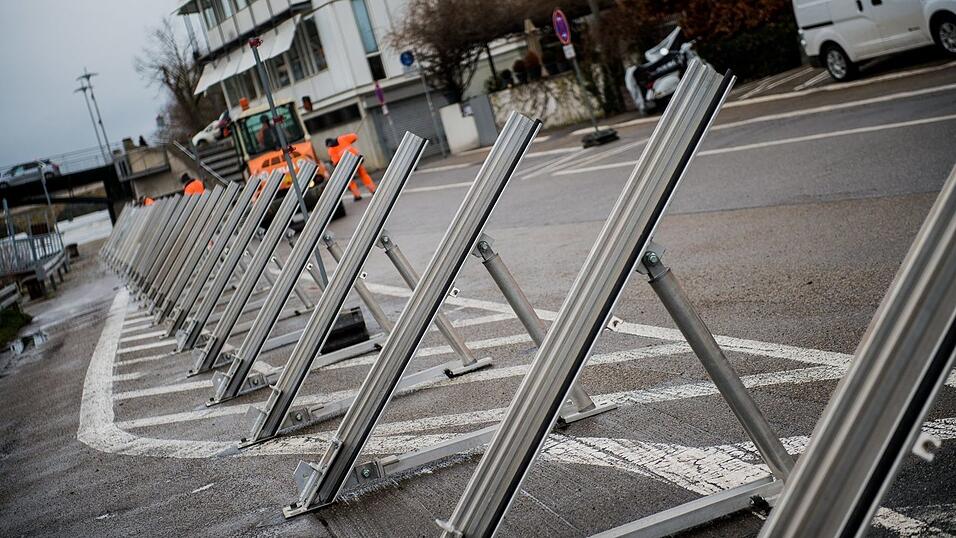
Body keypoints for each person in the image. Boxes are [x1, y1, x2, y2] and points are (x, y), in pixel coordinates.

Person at [326, 133, 377, 201]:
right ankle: (373, 190)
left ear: (328, 145)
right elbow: (354, 136)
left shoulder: (331, 150)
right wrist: (351, 141)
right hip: (356, 159)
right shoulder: (342, 138)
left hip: (346, 165)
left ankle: (357, 195)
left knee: (349, 180)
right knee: (363, 175)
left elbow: (336, 162)